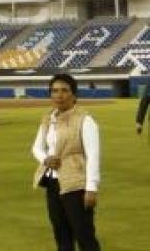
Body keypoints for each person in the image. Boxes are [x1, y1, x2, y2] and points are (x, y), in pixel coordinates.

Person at [31, 73, 101, 251]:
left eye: (64, 90)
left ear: (74, 94)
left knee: (84, 235)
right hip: (53, 183)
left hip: (77, 185)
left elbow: (93, 155)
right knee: (61, 235)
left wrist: (91, 188)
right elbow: (36, 147)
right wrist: (45, 159)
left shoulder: (85, 120)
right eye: (54, 91)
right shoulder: (48, 118)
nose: (59, 95)